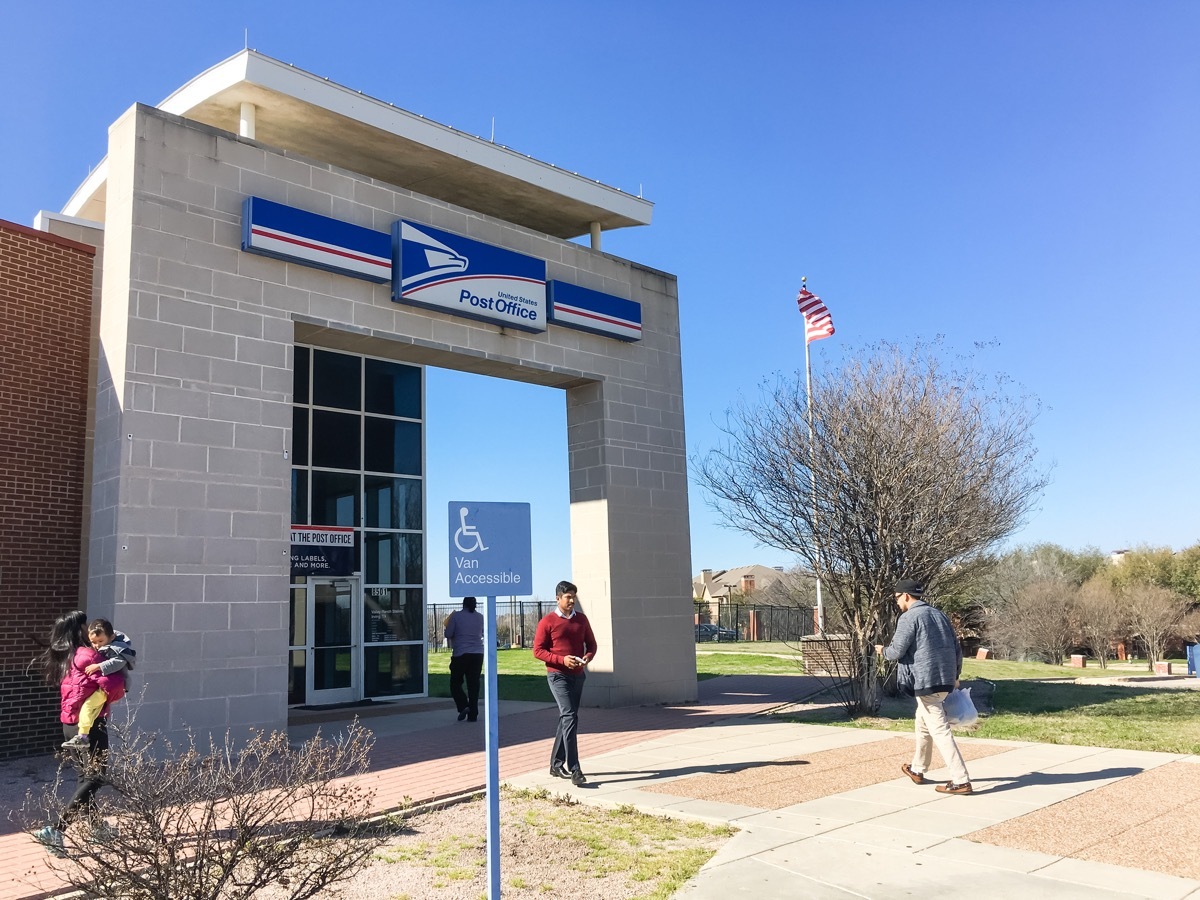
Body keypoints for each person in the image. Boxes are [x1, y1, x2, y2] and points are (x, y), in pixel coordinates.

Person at [31, 611, 117, 856]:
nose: (90, 631)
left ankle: (98, 828)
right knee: (97, 777)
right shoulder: (88, 655)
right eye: (86, 626)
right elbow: (111, 684)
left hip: (70, 725)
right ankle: (56, 829)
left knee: (84, 778)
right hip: (90, 725)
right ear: (79, 629)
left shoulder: (63, 657)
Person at [882, 578, 973, 795]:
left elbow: (896, 651)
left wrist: (882, 651)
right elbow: (956, 647)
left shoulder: (909, 617)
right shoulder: (939, 615)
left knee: (939, 730)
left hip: (926, 682)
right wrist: (956, 675)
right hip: (944, 678)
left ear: (905, 596)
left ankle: (961, 780)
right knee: (922, 722)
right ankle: (917, 768)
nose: (897, 602)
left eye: (896, 598)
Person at [533, 580, 597, 787]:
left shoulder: (582, 620)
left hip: (578, 675)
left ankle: (555, 764)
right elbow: (538, 651)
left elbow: (592, 645)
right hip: (557, 675)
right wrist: (562, 660)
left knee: (567, 718)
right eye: (568, 597)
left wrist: (587, 657)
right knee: (569, 716)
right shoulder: (547, 622)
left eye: (574, 596)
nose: (572, 600)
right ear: (558, 598)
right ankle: (575, 769)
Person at [61, 618, 135, 749]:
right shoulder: (104, 646)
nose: (97, 645)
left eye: (100, 641)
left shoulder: (117, 649)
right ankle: (83, 735)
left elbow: (118, 662)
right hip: (106, 688)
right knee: (93, 709)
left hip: (113, 686)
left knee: (88, 707)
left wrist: (99, 666)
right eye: (93, 642)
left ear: (111, 637)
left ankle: (83, 737)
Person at [444, 596, 484, 722]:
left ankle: (463, 705)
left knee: (455, 683)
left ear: (463, 604)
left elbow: (448, 634)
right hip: (477, 653)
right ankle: (473, 714)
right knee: (473, 684)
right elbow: (483, 633)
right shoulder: (480, 617)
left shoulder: (456, 616)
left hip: (461, 654)